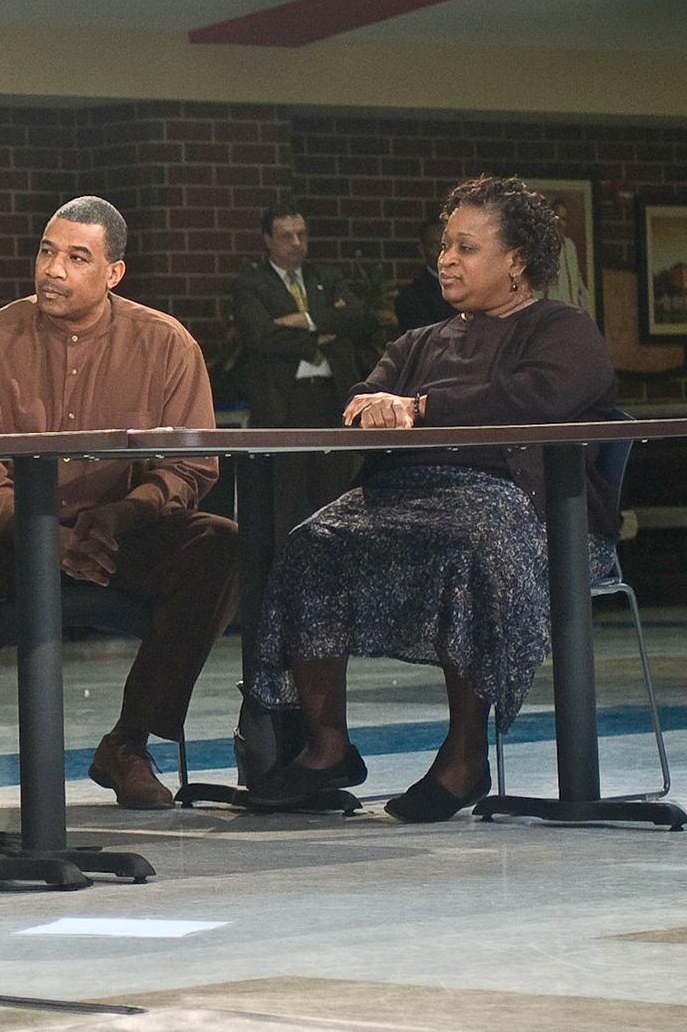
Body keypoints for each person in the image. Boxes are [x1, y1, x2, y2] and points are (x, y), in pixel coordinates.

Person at [248, 176, 620, 823]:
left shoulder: (564, 330)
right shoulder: (421, 342)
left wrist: (420, 408)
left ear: (516, 261)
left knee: (467, 543)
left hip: (525, 510)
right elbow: (366, 398)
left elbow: (536, 401)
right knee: (313, 542)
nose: (446, 259)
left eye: (466, 248)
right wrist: (375, 408)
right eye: (446, 246)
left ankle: (465, 755)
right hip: (407, 501)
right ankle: (327, 746)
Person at [0, 196, 239, 815]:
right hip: (7, 533)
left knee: (217, 542)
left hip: (121, 537)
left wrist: (123, 515)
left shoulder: (165, 343)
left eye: (76, 257)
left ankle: (129, 743)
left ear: (114, 273)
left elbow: (189, 465)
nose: (53, 269)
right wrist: (41, 535)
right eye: (47, 252)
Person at [231, 202, 367, 533]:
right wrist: (316, 339)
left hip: (331, 398)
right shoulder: (252, 283)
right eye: (286, 236)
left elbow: (357, 316)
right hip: (284, 401)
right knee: (285, 497)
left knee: (335, 493)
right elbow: (259, 335)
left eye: (302, 235)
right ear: (267, 240)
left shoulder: (326, 277)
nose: (297, 244)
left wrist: (304, 320)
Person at [394, 217, 455, 331]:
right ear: (422, 250)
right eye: (436, 245)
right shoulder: (411, 298)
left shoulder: (475, 286)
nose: (442, 252)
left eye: (446, 245)